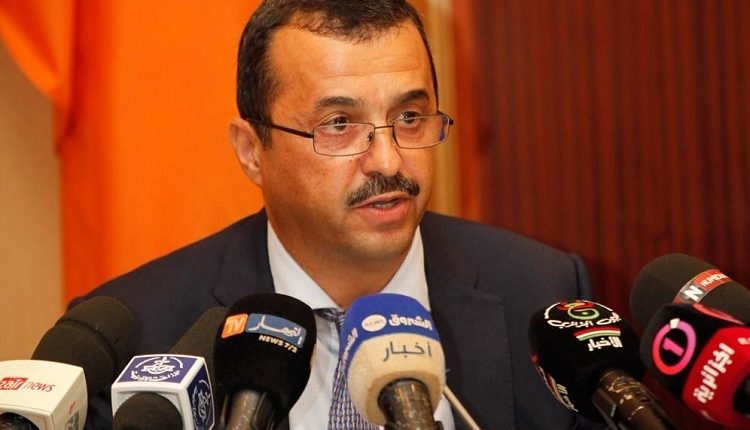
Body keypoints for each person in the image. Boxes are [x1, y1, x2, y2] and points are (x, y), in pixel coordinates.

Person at [79, 0, 598, 428]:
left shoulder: (541, 296)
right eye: (338, 124)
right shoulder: (138, 337)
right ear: (252, 151)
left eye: (410, 117)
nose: (388, 161)